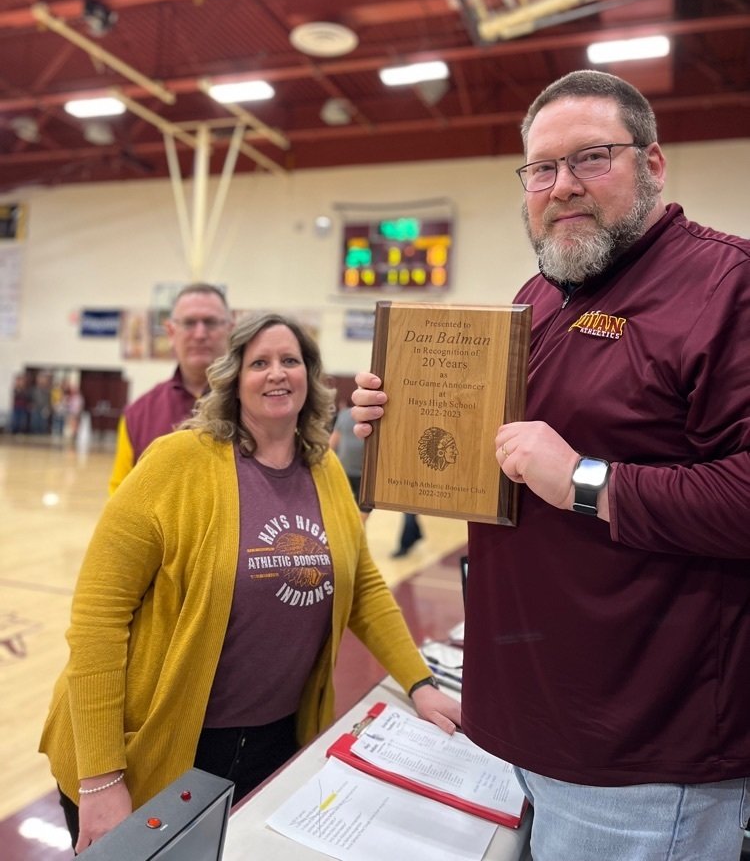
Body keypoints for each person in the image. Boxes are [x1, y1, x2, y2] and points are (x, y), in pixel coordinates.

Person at [352, 70, 750, 861]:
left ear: (654, 164)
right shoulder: (540, 293)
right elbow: (501, 456)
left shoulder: (726, 285)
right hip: (534, 723)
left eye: (591, 158)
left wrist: (584, 481)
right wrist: (404, 420)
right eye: (541, 169)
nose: (562, 186)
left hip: (644, 755)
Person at [40, 312, 460, 854]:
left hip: (272, 743)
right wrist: (101, 776)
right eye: (259, 362)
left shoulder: (325, 468)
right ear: (234, 378)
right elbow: (98, 621)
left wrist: (420, 683)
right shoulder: (175, 462)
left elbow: (364, 589)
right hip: (145, 747)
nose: (276, 373)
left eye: (290, 360)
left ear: (311, 376)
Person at [108, 282, 233, 493]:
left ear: (230, 329)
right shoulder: (138, 414)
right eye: (189, 323)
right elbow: (120, 497)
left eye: (210, 322)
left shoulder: (257, 406)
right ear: (171, 331)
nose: (200, 334)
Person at [329, 398, 370, 524]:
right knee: (344, 511)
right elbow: (333, 442)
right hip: (345, 471)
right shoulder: (345, 414)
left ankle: (357, 537)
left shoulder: (375, 417)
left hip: (364, 475)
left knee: (362, 512)